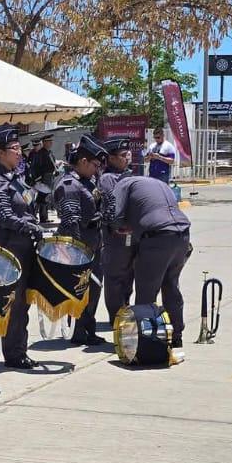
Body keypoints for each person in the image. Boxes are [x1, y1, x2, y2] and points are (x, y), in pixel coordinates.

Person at [109, 173, 191, 361]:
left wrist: (122, 228)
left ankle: (145, 341)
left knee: (146, 294)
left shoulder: (123, 185)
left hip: (157, 237)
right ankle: (176, 337)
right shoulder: (157, 183)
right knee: (171, 286)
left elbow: (115, 216)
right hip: (182, 235)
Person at [0, 127, 47, 369]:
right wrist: (26, 226)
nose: (19, 153)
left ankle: (20, 349)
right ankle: (13, 353)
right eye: (14, 149)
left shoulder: (17, 178)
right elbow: (2, 216)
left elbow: (25, 207)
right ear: (0, 153)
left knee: (24, 303)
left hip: (25, 247)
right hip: (11, 250)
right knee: (15, 303)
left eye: (20, 148)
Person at [55, 135, 107, 346]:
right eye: (95, 164)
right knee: (81, 289)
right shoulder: (70, 184)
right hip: (80, 244)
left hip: (94, 241)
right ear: (83, 162)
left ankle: (87, 329)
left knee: (94, 288)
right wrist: (78, 254)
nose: (97, 169)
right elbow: (70, 221)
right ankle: (79, 330)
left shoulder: (87, 181)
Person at [97, 137, 138, 324]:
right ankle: (116, 318)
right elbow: (111, 206)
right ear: (111, 158)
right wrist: (118, 226)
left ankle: (125, 311)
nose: (127, 157)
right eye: (122, 155)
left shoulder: (130, 175)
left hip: (132, 236)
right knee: (115, 279)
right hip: (116, 237)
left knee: (128, 278)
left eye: (128, 153)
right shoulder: (107, 179)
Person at [30, 139, 58, 225]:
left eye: (51, 141)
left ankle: (44, 217)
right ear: (44, 143)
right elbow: (36, 166)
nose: (51, 143)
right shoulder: (40, 154)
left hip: (49, 177)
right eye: (49, 142)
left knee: (45, 198)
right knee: (41, 198)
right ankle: (37, 216)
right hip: (43, 177)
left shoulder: (48, 152)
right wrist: (38, 178)